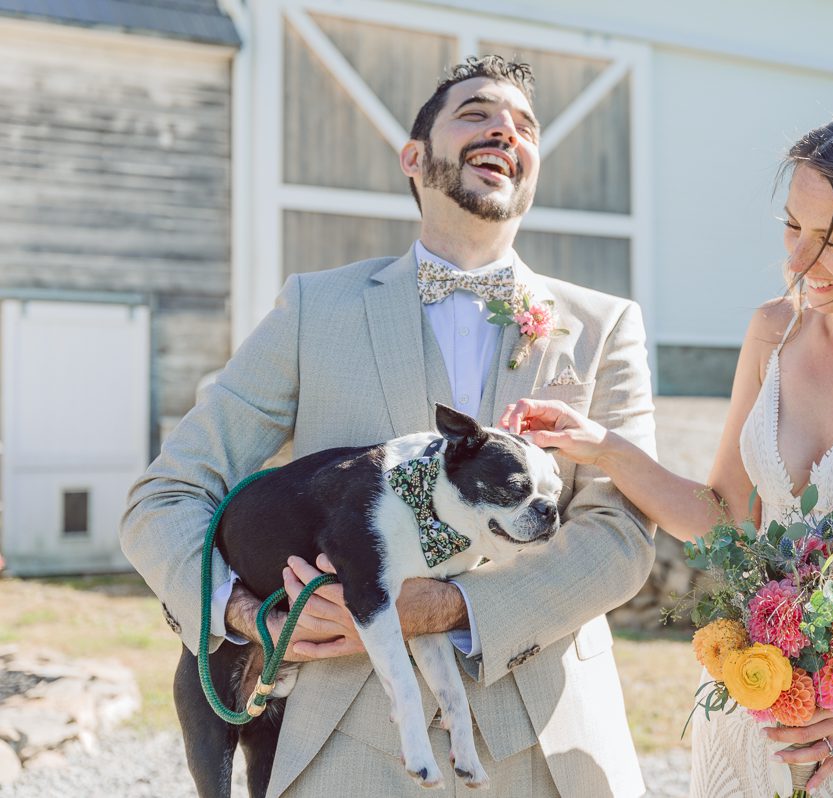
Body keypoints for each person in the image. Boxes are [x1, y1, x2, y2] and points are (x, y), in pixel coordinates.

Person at [120, 55, 656, 798]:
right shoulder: (315, 309)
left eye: (525, 125)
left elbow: (623, 533)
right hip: (345, 739)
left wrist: (453, 605)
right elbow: (168, 495)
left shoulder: (604, 326)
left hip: (550, 739)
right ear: (414, 157)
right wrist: (244, 615)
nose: (505, 127)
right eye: (475, 112)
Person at [504, 101, 833, 797]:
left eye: (832, 241)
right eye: (792, 225)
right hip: (751, 708)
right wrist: (604, 448)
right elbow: (726, 517)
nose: (797, 259)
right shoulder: (771, 333)